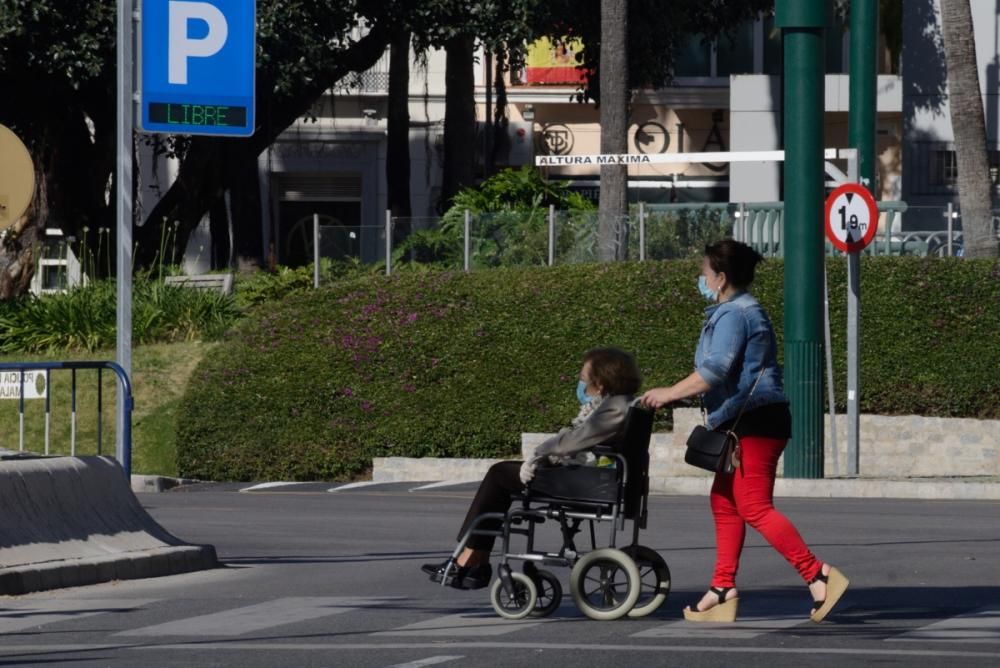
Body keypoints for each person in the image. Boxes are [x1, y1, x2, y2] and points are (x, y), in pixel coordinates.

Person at [640, 239, 849, 624]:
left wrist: (669, 393)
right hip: (744, 421)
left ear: (720, 277)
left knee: (753, 506)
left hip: (753, 422)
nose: (699, 278)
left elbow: (716, 370)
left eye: (703, 272)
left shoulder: (735, 314)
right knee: (724, 502)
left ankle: (817, 574)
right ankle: (722, 589)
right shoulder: (735, 310)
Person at [422, 347, 642, 590]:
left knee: (498, 474)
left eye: (584, 377)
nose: (581, 381)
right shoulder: (620, 403)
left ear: (600, 382)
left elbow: (572, 441)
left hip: (590, 484)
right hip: (596, 478)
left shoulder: (614, 407)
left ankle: (471, 559)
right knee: (502, 474)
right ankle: (474, 558)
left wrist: (539, 453)